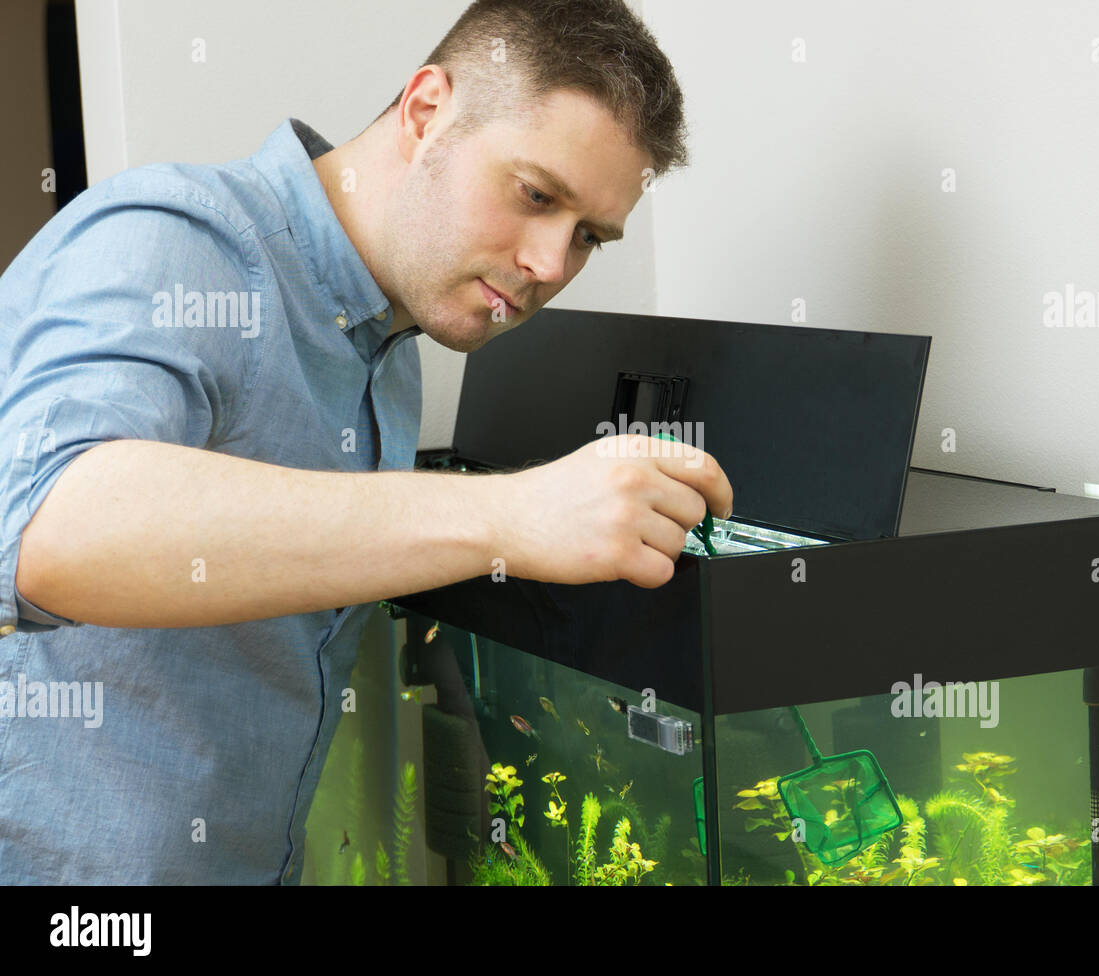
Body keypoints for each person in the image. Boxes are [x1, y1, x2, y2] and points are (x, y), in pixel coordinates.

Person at [0, 0, 731, 884]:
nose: (548, 263)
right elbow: (52, 528)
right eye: (537, 195)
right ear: (425, 112)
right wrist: (511, 514)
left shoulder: (389, 354)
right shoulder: (177, 238)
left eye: (588, 237)